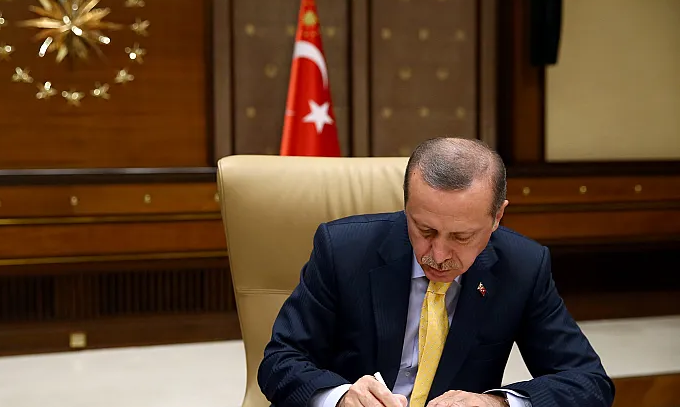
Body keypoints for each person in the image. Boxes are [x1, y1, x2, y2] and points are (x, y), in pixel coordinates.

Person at [257, 138, 614, 407]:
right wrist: (341, 397)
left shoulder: (523, 266)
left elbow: (589, 382)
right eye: (424, 230)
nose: (438, 256)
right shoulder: (343, 250)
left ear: (497, 217)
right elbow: (279, 362)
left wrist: (497, 403)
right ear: (406, 206)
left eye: (461, 237)